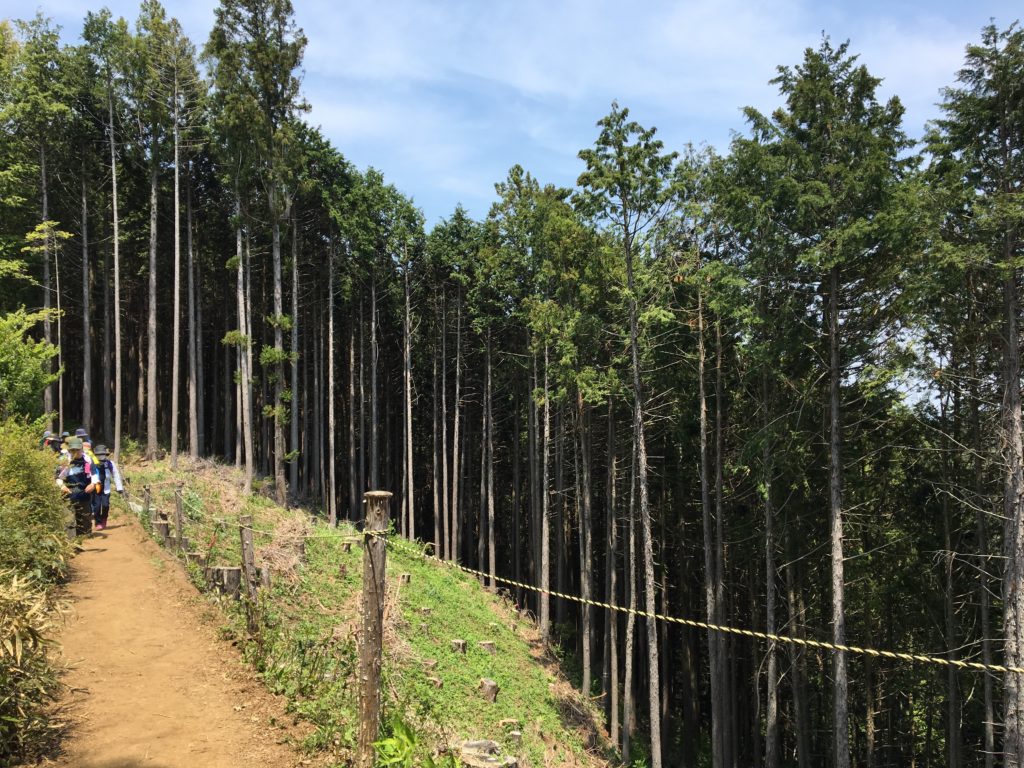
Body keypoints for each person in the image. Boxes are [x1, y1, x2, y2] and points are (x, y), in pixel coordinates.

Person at [57, 437, 99, 535]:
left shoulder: (88, 460)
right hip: (68, 493)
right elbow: (57, 477)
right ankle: (71, 543)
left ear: (81, 449)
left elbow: (94, 474)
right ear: (69, 450)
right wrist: (62, 486)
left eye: (77, 450)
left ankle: (85, 538)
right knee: (69, 520)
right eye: (73, 450)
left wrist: (93, 484)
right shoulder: (64, 460)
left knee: (85, 518)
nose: (75, 452)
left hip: (84, 492)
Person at [91, 444, 123, 531]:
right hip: (95, 489)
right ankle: (97, 522)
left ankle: (104, 519)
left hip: (106, 488)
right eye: (99, 454)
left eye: (102, 454)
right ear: (96, 455)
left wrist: (119, 487)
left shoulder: (110, 464)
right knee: (96, 506)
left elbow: (115, 475)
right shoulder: (92, 463)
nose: (101, 456)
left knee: (105, 505)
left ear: (106, 454)